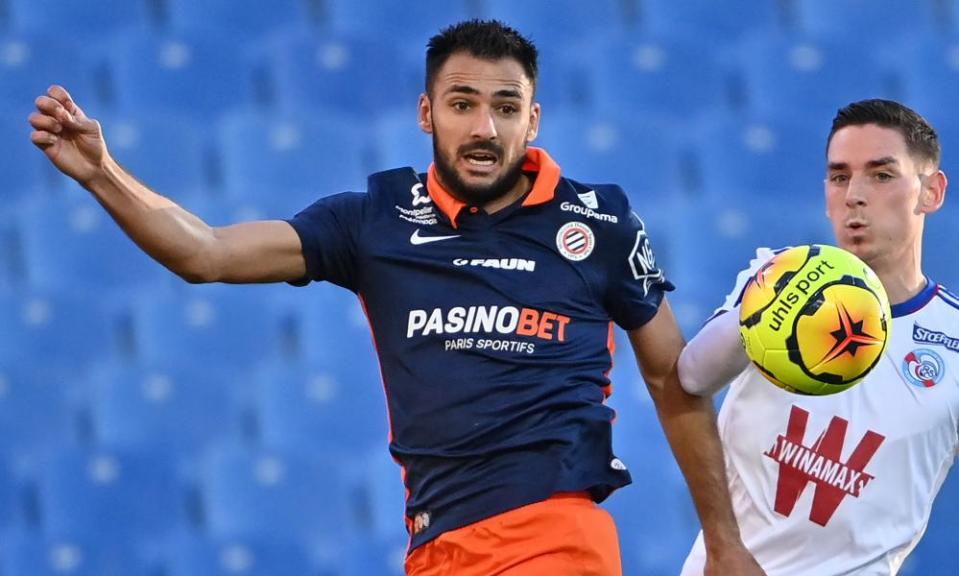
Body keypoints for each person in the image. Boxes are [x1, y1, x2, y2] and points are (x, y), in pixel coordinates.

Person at [29, 19, 762, 576]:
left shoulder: (596, 223)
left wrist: (724, 541)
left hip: (553, 539)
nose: (484, 127)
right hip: (435, 547)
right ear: (425, 113)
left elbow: (674, 378)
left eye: (506, 107)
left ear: (532, 120)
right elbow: (207, 253)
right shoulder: (374, 220)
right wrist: (103, 174)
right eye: (463, 103)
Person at [678, 99, 957, 575]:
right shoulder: (776, 275)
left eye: (881, 175)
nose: (854, 195)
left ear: (930, 192)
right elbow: (692, 376)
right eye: (839, 176)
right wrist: (772, 305)